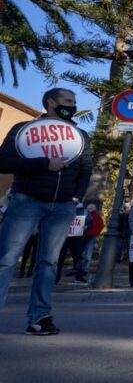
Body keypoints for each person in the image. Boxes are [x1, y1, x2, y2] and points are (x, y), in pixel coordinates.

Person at [0, 88, 93, 335]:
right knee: (6, 260)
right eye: (68, 101)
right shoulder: (23, 129)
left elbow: (86, 169)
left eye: (74, 102)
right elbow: (3, 162)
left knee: (49, 263)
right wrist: (43, 163)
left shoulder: (80, 135)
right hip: (26, 200)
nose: (73, 106)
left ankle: (40, 317)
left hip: (63, 205)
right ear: (51, 103)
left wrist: (76, 197)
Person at [55, 203, 87, 284]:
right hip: (65, 236)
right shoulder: (62, 207)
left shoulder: (84, 211)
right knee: (60, 257)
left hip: (77, 237)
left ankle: (78, 276)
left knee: (77, 257)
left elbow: (90, 222)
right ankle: (56, 277)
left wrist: (86, 226)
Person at [81, 203, 104, 275]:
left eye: (92, 207)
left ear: (95, 209)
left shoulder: (97, 217)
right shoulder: (82, 215)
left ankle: (84, 269)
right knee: (78, 254)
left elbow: (101, 225)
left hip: (91, 236)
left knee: (88, 254)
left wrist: (96, 232)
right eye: (89, 207)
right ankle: (78, 268)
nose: (90, 208)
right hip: (81, 236)